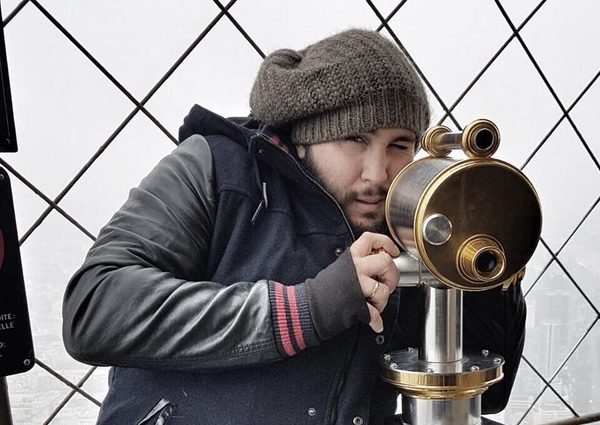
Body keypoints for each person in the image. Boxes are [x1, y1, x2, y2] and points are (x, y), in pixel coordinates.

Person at [62, 29, 526, 424]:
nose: (376, 174)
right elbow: (93, 310)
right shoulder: (214, 169)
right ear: (303, 137)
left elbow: (485, 390)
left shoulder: (404, 216)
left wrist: (478, 264)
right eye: (354, 139)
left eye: (399, 145)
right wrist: (309, 308)